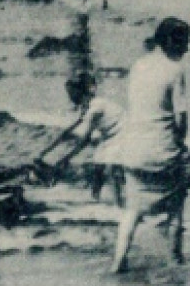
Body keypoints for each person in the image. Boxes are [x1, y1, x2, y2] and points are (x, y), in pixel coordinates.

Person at [111, 17, 190, 273]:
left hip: (133, 150)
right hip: (161, 153)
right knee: (177, 205)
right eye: (184, 42)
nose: (186, 49)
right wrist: (180, 144)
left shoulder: (138, 66)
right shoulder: (174, 71)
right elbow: (181, 118)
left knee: (132, 211)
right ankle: (175, 260)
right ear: (170, 41)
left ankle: (119, 261)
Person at [35, 71, 125, 205]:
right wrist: (46, 151)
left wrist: (65, 159)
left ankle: (119, 204)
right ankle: (97, 199)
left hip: (123, 134)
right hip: (109, 135)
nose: (70, 96)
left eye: (72, 92)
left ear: (80, 92)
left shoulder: (95, 108)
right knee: (98, 166)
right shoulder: (88, 106)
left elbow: (85, 140)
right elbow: (69, 130)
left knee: (113, 167)